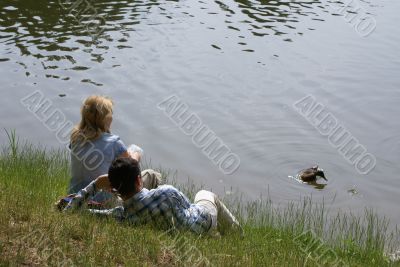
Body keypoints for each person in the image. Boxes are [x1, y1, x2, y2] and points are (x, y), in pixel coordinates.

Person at [64, 157, 243, 236]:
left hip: (192, 229)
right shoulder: (166, 192)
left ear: (113, 188)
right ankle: (238, 235)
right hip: (203, 223)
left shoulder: (119, 216)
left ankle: (220, 234)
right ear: (138, 180)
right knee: (204, 194)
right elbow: (191, 210)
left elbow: (70, 212)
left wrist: (95, 184)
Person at [68, 95, 161, 205]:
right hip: (104, 202)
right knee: (152, 175)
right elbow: (131, 166)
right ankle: (147, 210)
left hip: (76, 196)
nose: (112, 117)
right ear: (104, 118)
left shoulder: (75, 138)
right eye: (110, 113)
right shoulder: (113, 142)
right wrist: (136, 153)